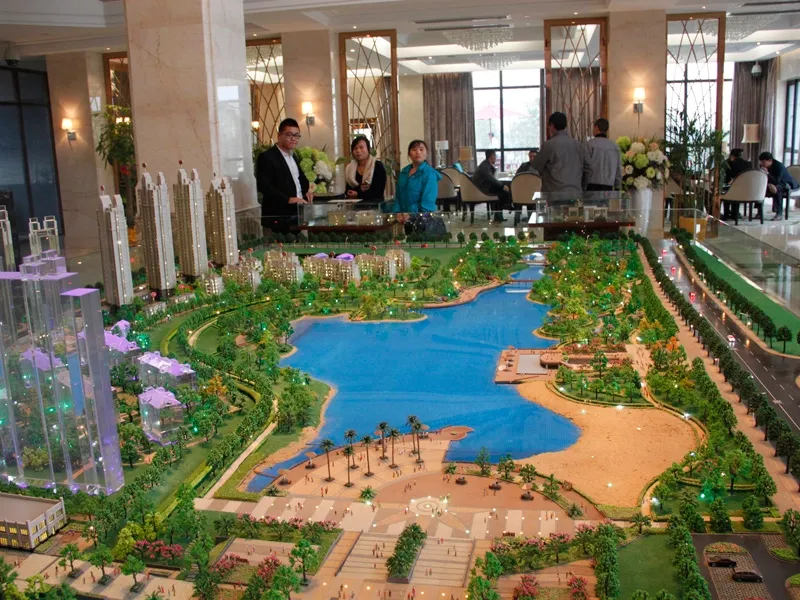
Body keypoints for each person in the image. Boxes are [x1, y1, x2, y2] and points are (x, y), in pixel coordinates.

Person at [256, 118, 313, 232]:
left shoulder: (293, 156)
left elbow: (300, 180)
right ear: (279, 136)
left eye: (296, 135)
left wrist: (305, 191)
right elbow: (264, 186)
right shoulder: (267, 157)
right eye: (289, 135)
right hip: (278, 215)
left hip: (296, 214)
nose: (293, 139)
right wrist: (288, 199)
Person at [532, 112, 585, 194]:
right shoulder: (579, 145)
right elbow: (589, 168)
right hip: (575, 191)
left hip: (554, 192)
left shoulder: (548, 145)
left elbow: (536, 165)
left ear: (552, 125)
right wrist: (582, 185)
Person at [395, 140, 441, 213]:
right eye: (414, 150)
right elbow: (398, 197)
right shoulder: (404, 172)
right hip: (402, 216)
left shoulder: (430, 173)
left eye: (421, 149)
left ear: (426, 154)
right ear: (409, 154)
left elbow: (427, 203)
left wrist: (410, 214)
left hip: (421, 216)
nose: (418, 152)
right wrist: (397, 213)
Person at [344, 135, 387, 205]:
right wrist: (348, 192)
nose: (358, 151)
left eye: (361, 147)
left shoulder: (377, 166)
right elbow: (348, 189)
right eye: (355, 148)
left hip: (375, 206)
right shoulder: (349, 168)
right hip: (354, 207)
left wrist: (358, 194)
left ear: (368, 149)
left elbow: (378, 191)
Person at [472, 149, 511, 222]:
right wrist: (502, 186)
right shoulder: (485, 166)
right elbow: (491, 179)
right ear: (492, 156)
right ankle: (507, 207)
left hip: (481, 188)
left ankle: (500, 214)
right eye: (495, 156)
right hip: (481, 190)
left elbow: (491, 179)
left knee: (501, 190)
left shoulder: (485, 165)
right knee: (502, 191)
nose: (496, 158)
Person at [583, 118, 621, 191]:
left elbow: (586, 166)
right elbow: (618, 169)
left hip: (592, 185)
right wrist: (618, 186)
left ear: (596, 127)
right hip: (609, 186)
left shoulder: (590, 144)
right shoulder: (614, 146)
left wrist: (583, 184)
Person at [759, 151, 798, 220]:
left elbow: (777, 181)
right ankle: (759, 212)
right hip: (771, 183)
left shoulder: (779, 166)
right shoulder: (763, 166)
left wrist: (767, 173)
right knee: (759, 189)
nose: (762, 164)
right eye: (761, 162)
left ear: (770, 161)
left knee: (777, 189)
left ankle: (779, 214)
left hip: (786, 183)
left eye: (764, 162)